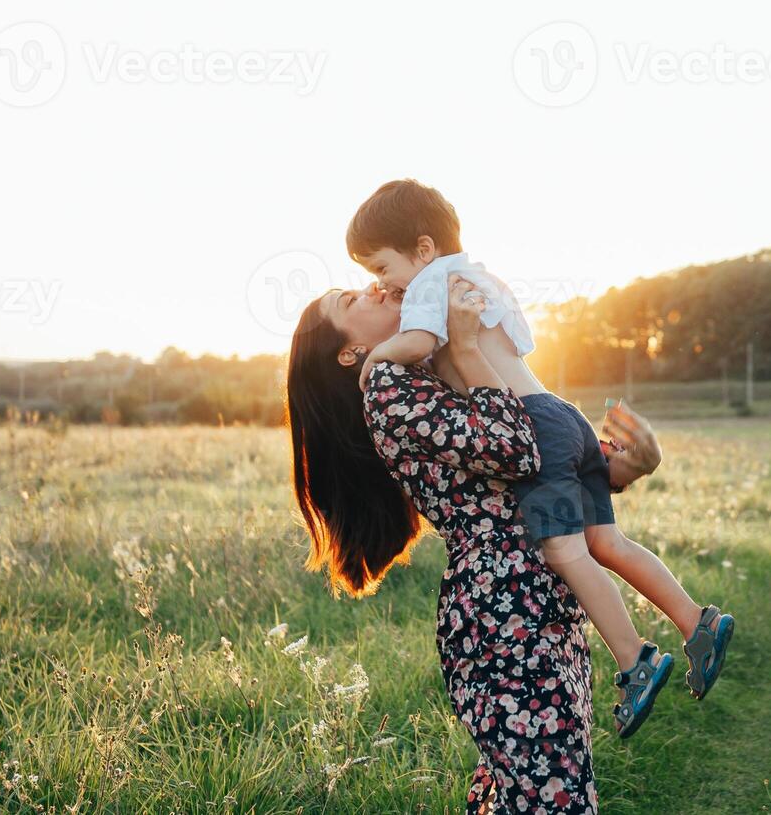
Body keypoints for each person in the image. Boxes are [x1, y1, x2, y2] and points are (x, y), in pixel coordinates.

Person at [345, 178, 736, 737]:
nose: (384, 285)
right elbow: (519, 344)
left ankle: (634, 661)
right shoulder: (482, 276)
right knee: (608, 543)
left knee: (567, 553)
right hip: (560, 412)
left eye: (382, 269)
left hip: (535, 429)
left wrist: (376, 357)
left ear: (423, 249)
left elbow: (415, 346)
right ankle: (696, 621)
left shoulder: (434, 285)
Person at [289, 275, 657, 811]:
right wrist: (463, 345)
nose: (372, 289)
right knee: (551, 797)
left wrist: (621, 468)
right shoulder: (390, 388)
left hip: (535, 600)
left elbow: (532, 476)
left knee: (531, 790)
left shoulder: (422, 372)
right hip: (504, 614)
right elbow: (517, 449)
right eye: (350, 301)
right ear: (350, 353)